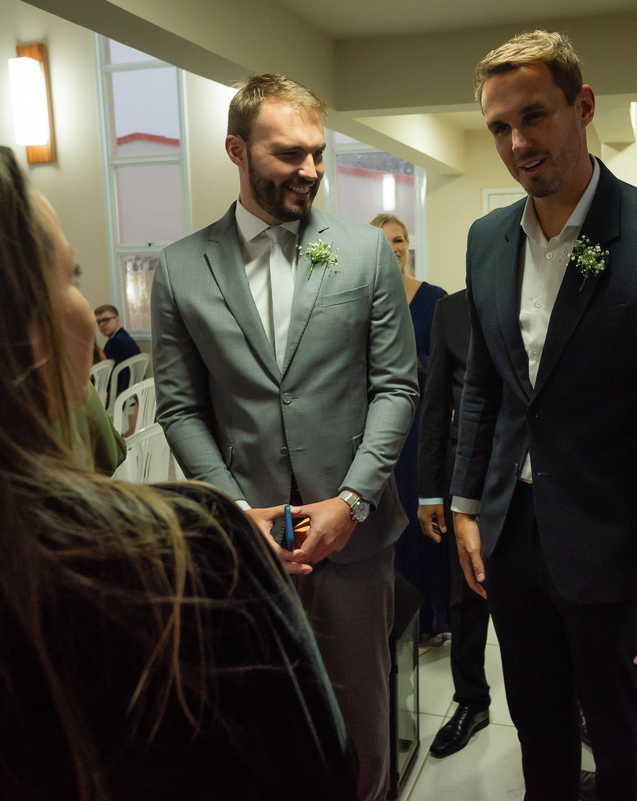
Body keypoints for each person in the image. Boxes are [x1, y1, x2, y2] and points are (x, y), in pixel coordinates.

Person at [0, 117, 356, 801]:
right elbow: (316, 774)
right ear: (15, 326)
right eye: (69, 275)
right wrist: (218, 538)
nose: (85, 313)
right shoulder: (177, 560)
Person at [451, 31, 637, 801]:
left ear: (582, 107)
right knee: (537, 730)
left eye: (534, 116)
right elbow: (485, 384)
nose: (518, 142)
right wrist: (467, 502)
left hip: (618, 550)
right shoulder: (486, 240)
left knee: (621, 742)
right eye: (500, 127)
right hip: (513, 540)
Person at [151, 74, 418, 801]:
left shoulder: (363, 252)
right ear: (236, 150)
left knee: (363, 736)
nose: (310, 169)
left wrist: (352, 501)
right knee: (259, 729)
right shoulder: (181, 266)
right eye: (288, 154)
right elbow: (181, 408)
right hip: (249, 547)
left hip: (354, 544)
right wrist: (237, 512)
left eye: (318, 153)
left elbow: (397, 387)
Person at [418, 288, 493, 757]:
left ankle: (577, 704)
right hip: (464, 479)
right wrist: (430, 492)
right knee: (465, 597)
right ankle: (471, 700)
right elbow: (435, 406)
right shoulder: (451, 311)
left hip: (537, 480)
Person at [370, 212, 450, 643]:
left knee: (423, 512)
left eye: (398, 240)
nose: (393, 249)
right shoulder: (362, 298)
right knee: (389, 514)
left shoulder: (434, 299)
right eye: (383, 242)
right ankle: (392, 620)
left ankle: (431, 618)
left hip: (422, 422)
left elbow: (450, 363)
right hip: (378, 424)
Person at [95, 303, 141, 398]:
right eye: (98, 322)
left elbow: (104, 372)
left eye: (106, 320)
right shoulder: (125, 337)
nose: (102, 324)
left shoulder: (115, 343)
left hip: (120, 394)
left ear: (117, 320)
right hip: (133, 393)